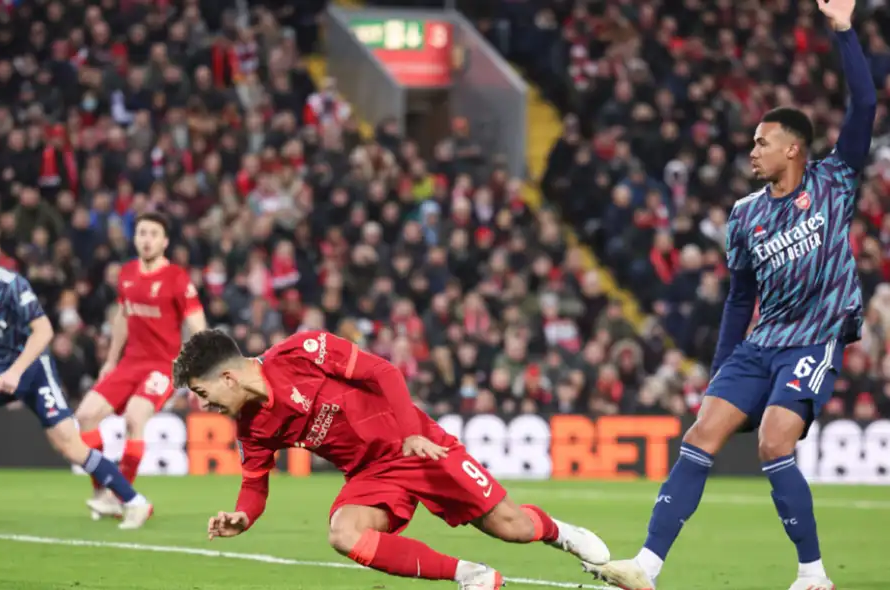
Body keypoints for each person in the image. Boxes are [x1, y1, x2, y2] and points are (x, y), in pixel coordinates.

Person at [584, 1, 876, 589]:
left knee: (773, 442)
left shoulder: (833, 181)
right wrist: (722, 374)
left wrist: (843, 31)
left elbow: (865, 104)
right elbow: (739, 300)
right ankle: (646, 566)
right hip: (759, 345)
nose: (752, 150)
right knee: (699, 434)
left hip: (814, 339)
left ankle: (813, 575)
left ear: (792, 148)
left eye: (762, 142)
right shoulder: (743, 216)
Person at [175, 329, 611, 589]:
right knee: (344, 533)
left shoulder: (301, 351)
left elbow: (385, 372)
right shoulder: (250, 426)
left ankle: (561, 533)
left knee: (512, 528)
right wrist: (243, 517)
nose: (204, 404)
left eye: (202, 393)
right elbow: (255, 484)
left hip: (418, 443)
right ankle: (471, 576)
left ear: (228, 377)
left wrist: (409, 435)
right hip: (371, 473)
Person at [0, 218, 153, 530]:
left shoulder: (11, 285)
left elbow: (44, 331)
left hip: (32, 370)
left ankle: (135, 502)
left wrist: (17, 371)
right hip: (1, 370)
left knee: (70, 447)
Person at [75, 211, 206, 518]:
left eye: (153, 234)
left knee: (135, 418)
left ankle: (120, 497)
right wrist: (110, 360)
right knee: (85, 415)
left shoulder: (177, 278)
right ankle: (102, 492)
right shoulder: (127, 273)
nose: (146, 240)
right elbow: (122, 317)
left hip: (163, 365)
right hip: (130, 362)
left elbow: (198, 329)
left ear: (165, 241)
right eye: (142, 233)